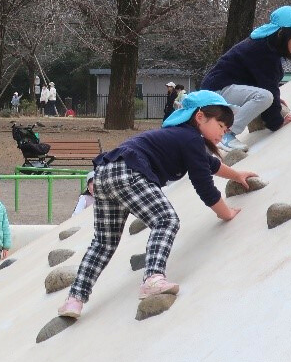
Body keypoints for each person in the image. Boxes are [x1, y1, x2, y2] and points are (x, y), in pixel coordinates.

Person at [57, 91, 257, 319]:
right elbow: (204, 184)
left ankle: (74, 300)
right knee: (166, 220)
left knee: (104, 243)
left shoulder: (180, 137)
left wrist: (236, 175)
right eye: (220, 125)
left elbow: (208, 164)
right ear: (200, 117)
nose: (223, 132)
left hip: (104, 174)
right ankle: (153, 277)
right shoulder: (191, 138)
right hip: (129, 171)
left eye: (226, 129)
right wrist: (225, 213)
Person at [201, 5, 291, 152]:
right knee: (265, 97)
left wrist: (275, 101)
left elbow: (262, 82)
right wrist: (277, 122)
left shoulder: (265, 45)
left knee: (267, 97)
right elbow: (268, 89)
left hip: (219, 88)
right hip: (218, 89)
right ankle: (226, 134)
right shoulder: (264, 51)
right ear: (282, 33)